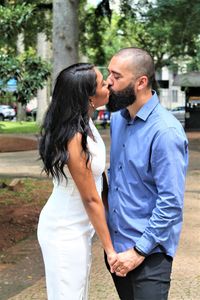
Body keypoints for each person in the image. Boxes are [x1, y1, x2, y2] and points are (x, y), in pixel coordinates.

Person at [105, 47, 189, 299]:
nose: (108, 81)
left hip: (149, 255)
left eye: (116, 76)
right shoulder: (118, 118)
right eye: (109, 73)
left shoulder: (165, 132)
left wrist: (138, 252)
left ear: (141, 82)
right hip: (117, 251)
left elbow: (171, 203)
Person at [37, 63, 118, 300]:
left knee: (77, 293)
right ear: (89, 97)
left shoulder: (86, 122)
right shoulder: (74, 136)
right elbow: (90, 198)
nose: (108, 85)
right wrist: (110, 249)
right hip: (64, 229)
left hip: (80, 227)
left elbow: (99, 178)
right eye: (103, 83)